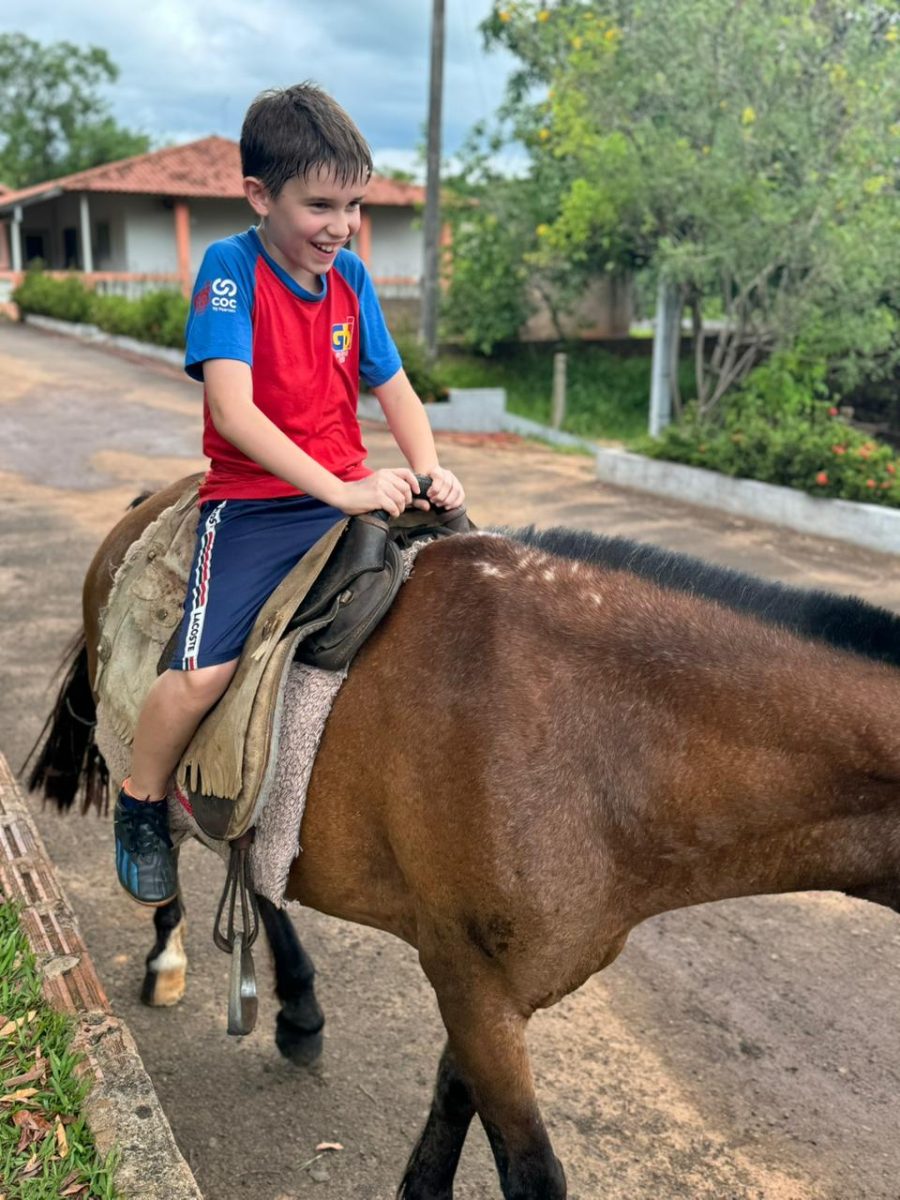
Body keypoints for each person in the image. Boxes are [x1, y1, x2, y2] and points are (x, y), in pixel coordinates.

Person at [113, 82, 465, 905]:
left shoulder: (351, 278)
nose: (342, 226)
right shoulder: (230, 270)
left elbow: (394, 385)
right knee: (204, 672)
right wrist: (342, 490)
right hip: (256, 505)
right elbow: (234, 413)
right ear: (259, 196)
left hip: (352, 488)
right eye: (320, 206)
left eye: (354, 205)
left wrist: (429, 467)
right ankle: (140, 800)